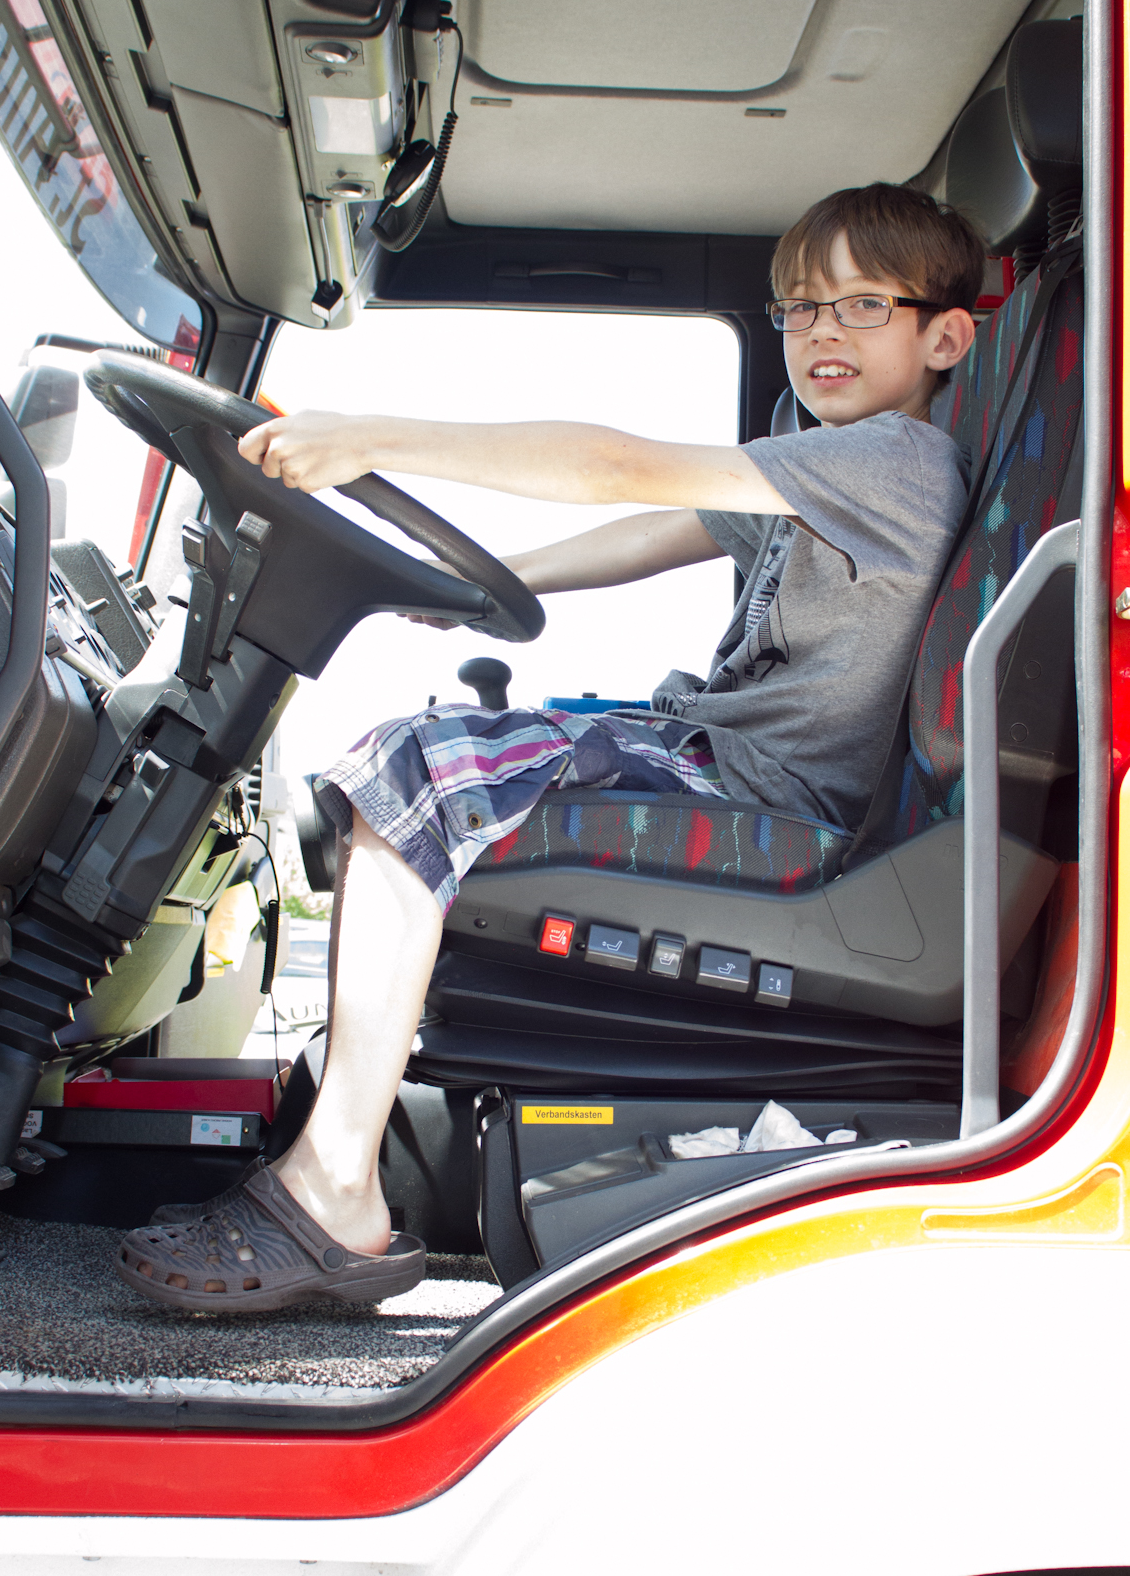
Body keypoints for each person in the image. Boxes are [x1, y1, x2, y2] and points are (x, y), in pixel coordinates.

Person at [114, 182, 983, 1311]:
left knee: (414, 770)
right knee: (419, 757)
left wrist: (370, 437)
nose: (823, 331)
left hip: (765, 790)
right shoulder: (817, 456)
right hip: (708, 747)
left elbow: (622, 466)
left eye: (863, 305)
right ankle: (331, 1160)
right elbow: (660, 528)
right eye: (800, 308)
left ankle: (335, 1192)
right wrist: (493, 586)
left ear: (943, 337)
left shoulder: (892, 462)